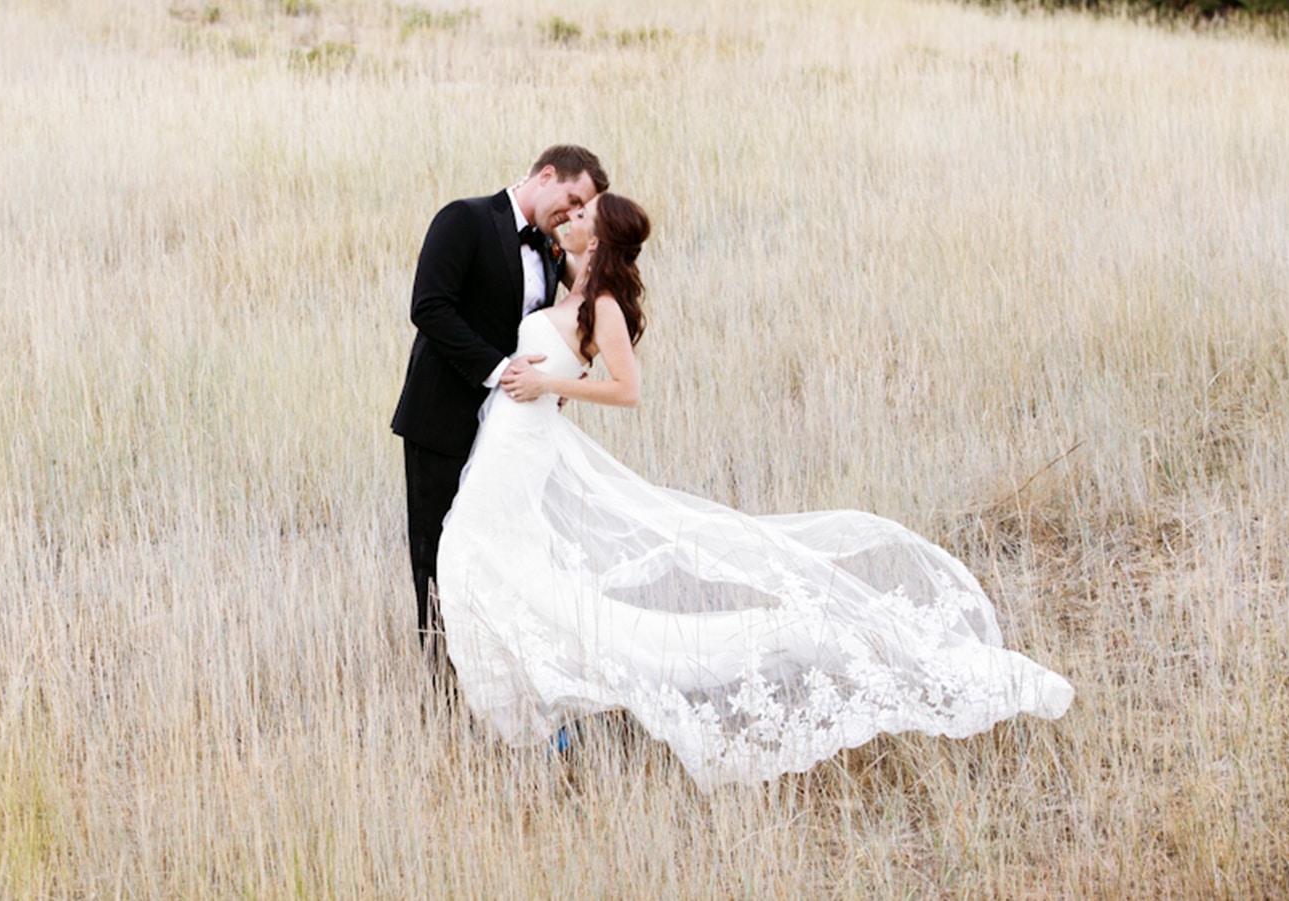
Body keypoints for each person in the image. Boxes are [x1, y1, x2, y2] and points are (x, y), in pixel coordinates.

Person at [436, 193, 1074, 789]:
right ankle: (531, 713)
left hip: (524, 442)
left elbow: (627, 390)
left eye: (584, 215)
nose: (571, 218)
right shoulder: (570, 281)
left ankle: (559, 707)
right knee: (481, 558)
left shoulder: (601, 304)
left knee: (473, 551)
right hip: (509, 444)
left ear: (598, 237)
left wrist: (551, 387)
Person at [391, 146, 608, 685]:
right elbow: (429, 306)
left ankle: (503, 676)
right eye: (572, 200)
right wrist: (500, 370)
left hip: (510, 432)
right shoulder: (463, 219)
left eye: (584, 210)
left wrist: (562, 379)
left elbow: (569, 324)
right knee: (439, 555)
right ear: (547, 175)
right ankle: (447, 685)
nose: (572, 213)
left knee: (504, 552)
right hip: (443, 419)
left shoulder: (554, 249)